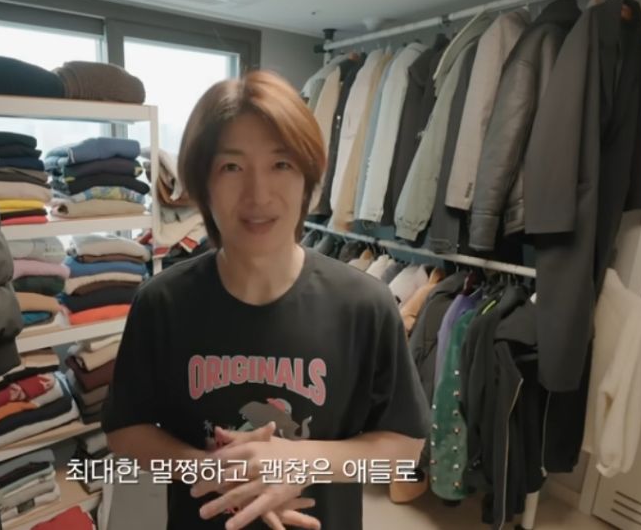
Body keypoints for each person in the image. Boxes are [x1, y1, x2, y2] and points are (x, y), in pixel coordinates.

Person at [102, 70, 430, 530]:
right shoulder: (162, 303)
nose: (258, 195)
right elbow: (125, 431)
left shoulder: (365, 305)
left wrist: (302, 461)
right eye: (231, 167)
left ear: (307, 179)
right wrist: (207, 469)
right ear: (202, 184)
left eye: (281, 164)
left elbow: (404, 450)